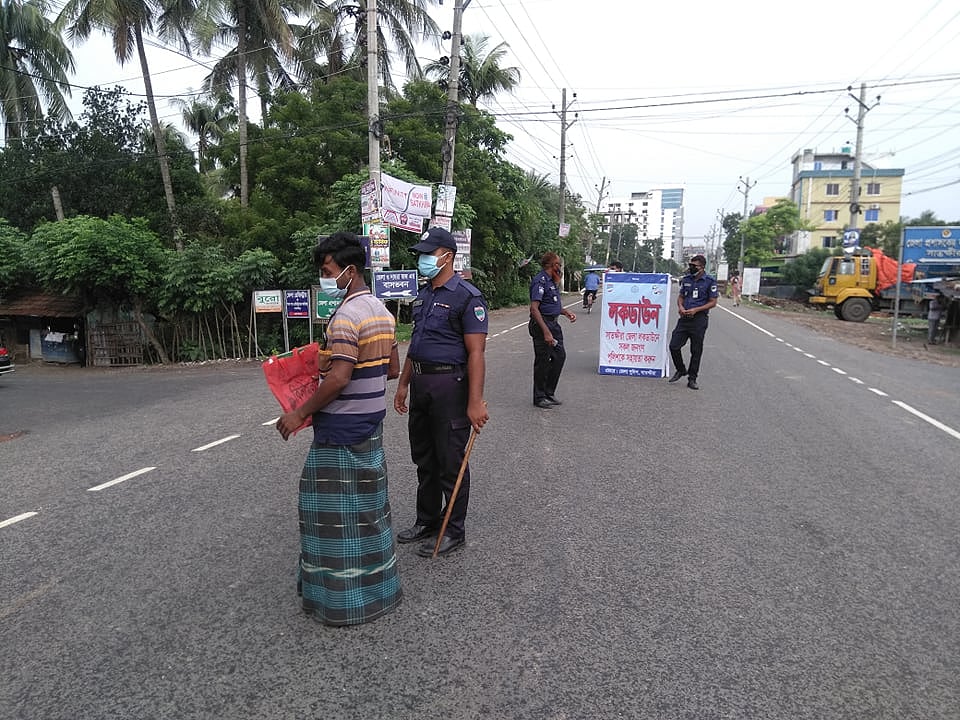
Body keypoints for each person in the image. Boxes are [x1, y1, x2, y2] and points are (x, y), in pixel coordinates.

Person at [276, 231, 402, 626]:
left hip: (341, 432)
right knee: (368, 511)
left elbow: (338, 380)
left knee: (328, 515)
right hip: (371, 427)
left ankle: (342, 603)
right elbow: (393, 370)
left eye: (328, 270)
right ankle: (380, 592)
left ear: (349, 269)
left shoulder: (346, 316)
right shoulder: (382, 310)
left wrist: (299, 413)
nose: (325, 278)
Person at [394, 227, 489, 558]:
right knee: (424, 459)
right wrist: (404, 384)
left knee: (451, 461)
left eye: (428, 254)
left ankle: (454, 530)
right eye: (421, 254)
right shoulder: (423, 296)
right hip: (421, 385)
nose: (422, 259)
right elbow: (415, 345)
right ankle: (428, 520)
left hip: (450, 387)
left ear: (447, 256)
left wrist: (475, 402)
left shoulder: (467, 296)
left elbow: (476, 353)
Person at [529, 252, 576, 408]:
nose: (560, 267)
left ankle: (549, 392)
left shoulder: (552, 282)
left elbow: (552, 304)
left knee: (559, 357)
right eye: (558, 264)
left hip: (554, 325)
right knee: (543, 361)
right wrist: (546, 332)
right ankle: (539, 397)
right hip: (542, 325)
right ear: (551, 265)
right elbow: (535, 309)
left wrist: (565, 312)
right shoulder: (540, 281)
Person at [668, 254, 718, 390]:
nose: (690, 268)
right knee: (674, 345)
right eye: (690, 265)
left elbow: (713, 302)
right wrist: (681, 307)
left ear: (701, 267)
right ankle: (681, 369)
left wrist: (696, 309)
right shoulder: (686, 279)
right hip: (684, 318)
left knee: (696, 350)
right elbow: (681, 296)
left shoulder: (709, 281)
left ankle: (692, 378)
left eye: (693, 266)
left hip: (699, 319)